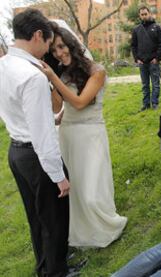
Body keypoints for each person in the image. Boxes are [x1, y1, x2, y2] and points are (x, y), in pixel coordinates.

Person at [39, 25, 127, 248]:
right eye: (54, 50)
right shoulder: (60, 71)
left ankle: (105, 225)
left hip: (90, 133)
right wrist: (49, 82)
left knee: (92, 189)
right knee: (76, 187)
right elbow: (58, 105)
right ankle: (82, 231)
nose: (59, 53)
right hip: (68, 134)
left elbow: (79, 102)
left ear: (71, 43)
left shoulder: (96, 70)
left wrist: (53, 77)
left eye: (61, 46)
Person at [0, 9, 71, 276]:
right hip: (36, 155)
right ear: (38, 35)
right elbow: (42, 136)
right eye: (49, 45)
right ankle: (56, 271)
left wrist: (42, 118)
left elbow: (10, 107)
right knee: (54, 218)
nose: (48, 51)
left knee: (35, 217)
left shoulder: (3, 64)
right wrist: (59, 176)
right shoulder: (32, 75)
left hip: (15, 151)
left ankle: (44, 265)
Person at [131, 5, 161, 111]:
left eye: (146, 14)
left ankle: (154, 103)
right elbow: (133, 45)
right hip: (142, 62)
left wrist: (157, 58)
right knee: (145, 85)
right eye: (142, 14)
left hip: (153, 61)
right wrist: (137, 59)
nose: (144, 16)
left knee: (155, 84)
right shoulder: (136, 30)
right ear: (139, 16)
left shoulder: (157, 27)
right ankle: (146, 104)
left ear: (149, 13)